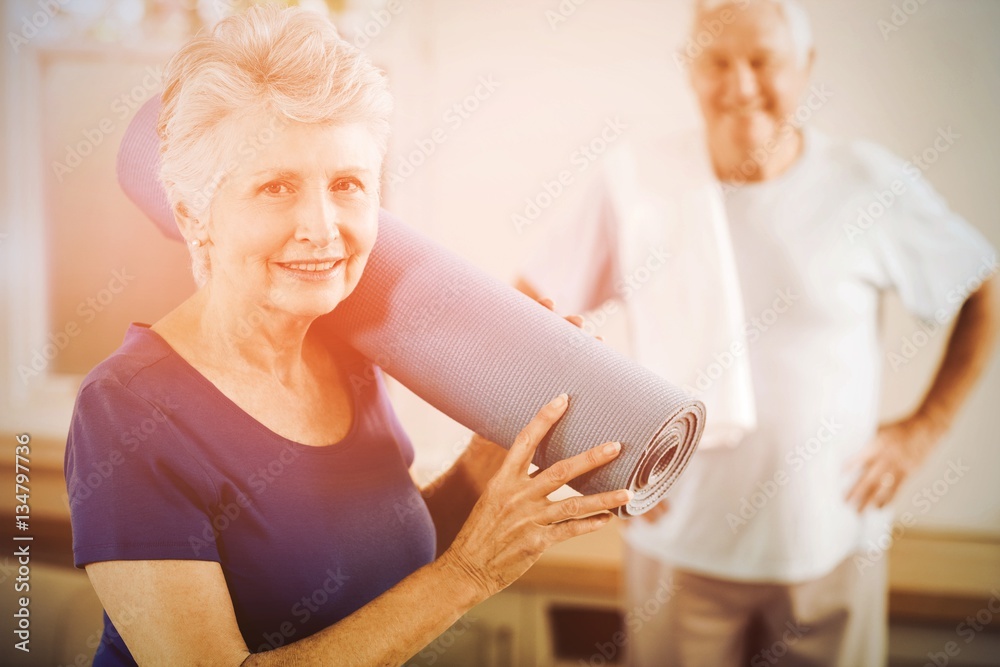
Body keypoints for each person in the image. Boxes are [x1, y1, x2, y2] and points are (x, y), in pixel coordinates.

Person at [64, 6, 633, 665]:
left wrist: (492, 452)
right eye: (276, 186)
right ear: (194, 214)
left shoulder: (347, 346)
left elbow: (385, 556)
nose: (322, 226)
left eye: (347, 184)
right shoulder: (125, 409)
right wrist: (470, 575)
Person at [516, 0, 999, 665]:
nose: (741, 86)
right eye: (717, 61)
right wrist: (594, 466)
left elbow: (979, 283)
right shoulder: (634, 181)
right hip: (678, 544)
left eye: (763, 61)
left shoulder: (867, 185)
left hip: (830, 544)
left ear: (806, 68)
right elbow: (529, 313)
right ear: (690, 69)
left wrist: (922, 432)